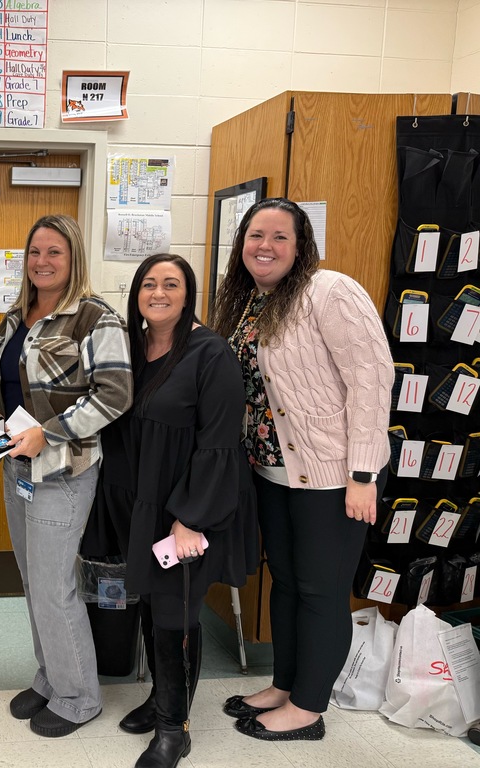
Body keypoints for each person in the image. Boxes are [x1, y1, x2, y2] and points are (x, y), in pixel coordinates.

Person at [210, 197, 393, 741]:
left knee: (321, 589)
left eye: (279, 237)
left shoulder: (328, 291)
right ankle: (286, 684)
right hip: (273, 472)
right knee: (287, 584)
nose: (264, 247)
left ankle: (309, 707)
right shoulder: (249, 302)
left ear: (301, 244)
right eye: (255, 236)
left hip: (334, 476)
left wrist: (362, 473)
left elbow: (372, 377)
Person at [84, 254, 257, 767]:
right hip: (133, 503)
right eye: (149, 284)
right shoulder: (129, 349)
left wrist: (190, 518)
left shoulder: (211, 353)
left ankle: (173, 729)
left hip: (183, 509)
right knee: (147, 603)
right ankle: (161, 699)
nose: (158, 293)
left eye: (171, 284)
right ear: (136, 293)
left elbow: (219, 443)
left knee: (175, 612)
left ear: (188, 293)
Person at [0, 214, 133, 738]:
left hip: (64, 470)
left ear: (74, 258)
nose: (42, 262)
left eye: (55, 253)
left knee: (54, 587)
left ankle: (79, 696)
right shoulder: (15, 315)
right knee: (33, 583)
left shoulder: (95, 317)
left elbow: (114, 393)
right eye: (35, 252)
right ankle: (51, 677)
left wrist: (52, 431)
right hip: (15, 467)